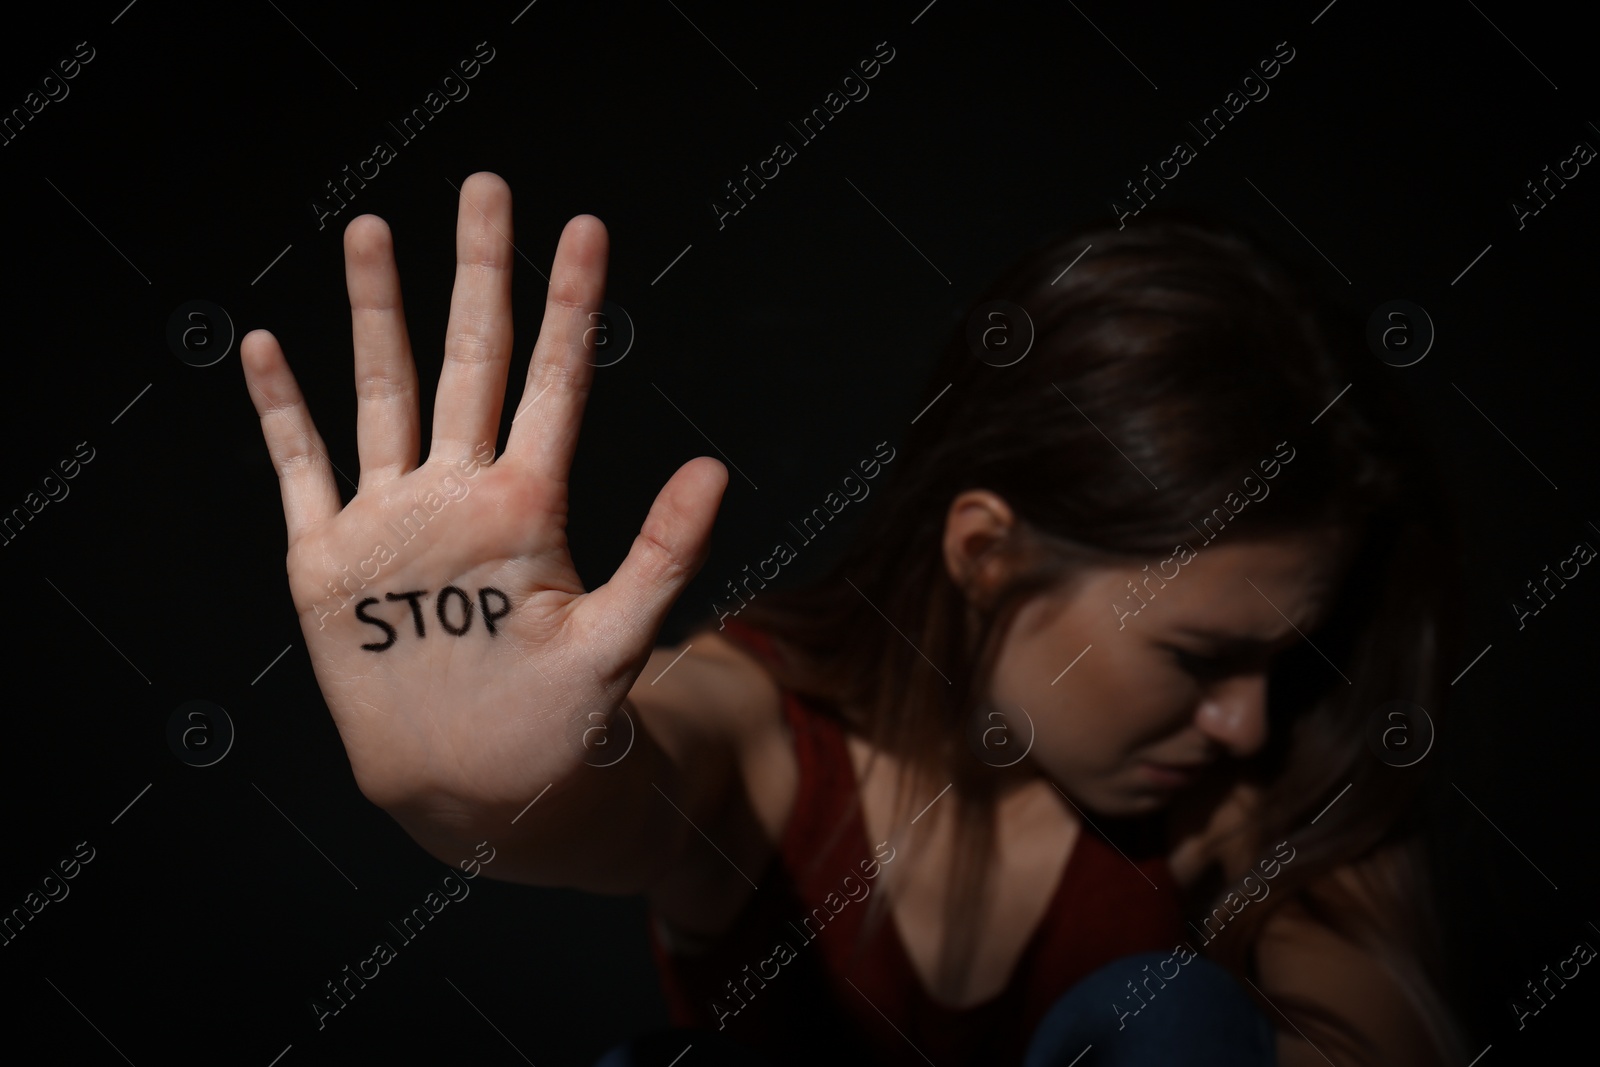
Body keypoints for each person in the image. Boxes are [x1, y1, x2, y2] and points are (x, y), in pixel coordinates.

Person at [240, 172, 1470, 1066]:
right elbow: (660, 759)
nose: (1245, 719)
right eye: (1200, 655)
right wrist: (489, 793)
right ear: (987, 552)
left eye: (1280, 661)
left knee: (1180, 1025)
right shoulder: (775, 736)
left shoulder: (1267, 784)